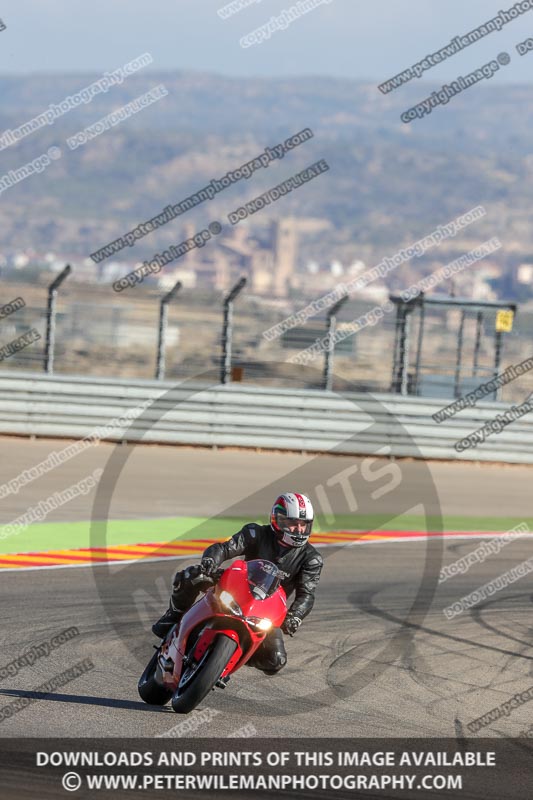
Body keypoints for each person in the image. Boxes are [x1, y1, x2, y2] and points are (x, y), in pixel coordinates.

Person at [152, 492, 323, 675]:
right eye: (292, 523)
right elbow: (224, 549)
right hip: (234, 585)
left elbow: (307, 594)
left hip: (264, 609)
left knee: (275, 661)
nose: (298, 529)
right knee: (191, 575)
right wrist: (211, 561)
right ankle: (173, 616)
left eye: (303, 524)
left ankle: (229, 658)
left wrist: (294, 616)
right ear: (277, 520)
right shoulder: (255, 533)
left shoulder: (311, 559)